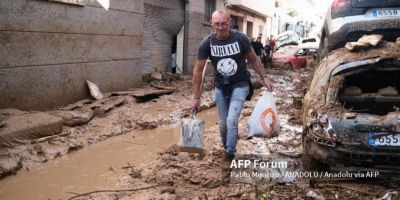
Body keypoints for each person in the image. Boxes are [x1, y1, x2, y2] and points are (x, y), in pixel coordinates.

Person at [191, 9, 274, 160]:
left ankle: (229, 154)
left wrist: (265, 77)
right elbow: (198, 70)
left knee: (231, 120)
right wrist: (196, 97)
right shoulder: (207, 43)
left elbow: (254, 59)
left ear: (229, 22)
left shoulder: (240, 38)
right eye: (217, 24)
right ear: (212, 24)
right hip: (221, 87)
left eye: (224, 23)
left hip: (240, 85)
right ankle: (227, 146)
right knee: (223, 125)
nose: (221, 27)